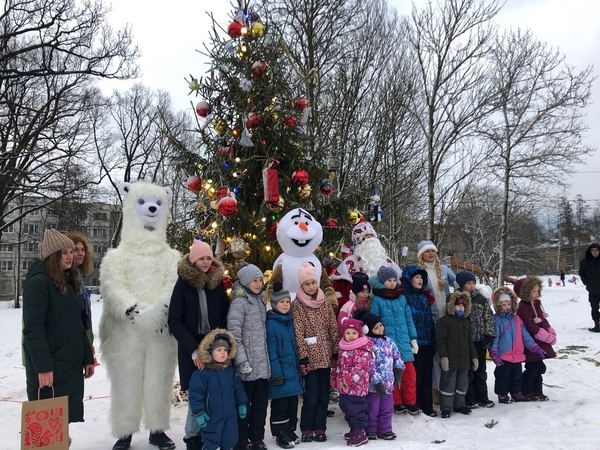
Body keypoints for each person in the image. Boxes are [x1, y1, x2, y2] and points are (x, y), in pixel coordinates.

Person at [22, 229, 94, 426]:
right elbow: (33, 329)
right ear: (53, 256)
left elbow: (77, 325)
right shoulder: (38, 283)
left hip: (68, 365)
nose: (70, 256)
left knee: (62, 422)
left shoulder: (66, 282)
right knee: (46, 426)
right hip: (51, 366)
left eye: (71, 251)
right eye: (64, 252)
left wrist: (87, 357)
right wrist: (43, 367)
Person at [168, 239, 230, 450]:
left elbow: (224, 314)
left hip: (215, 348)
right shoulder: (183, 284)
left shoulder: (216, 283)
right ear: (193, 261)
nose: (205, 262)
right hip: (191, 350)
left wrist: (221, 343)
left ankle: (210, 435)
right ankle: (192, 437)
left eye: (208, 258)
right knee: (198, 395)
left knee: (215, 392)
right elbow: (174, 321)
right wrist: (194, 350)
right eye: (201, 258)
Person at [291, 262, 339, 443]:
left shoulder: (324, 302)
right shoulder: (297, 305)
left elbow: (333, 328)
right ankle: (306, 428)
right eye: (307, 284)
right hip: (310, 360)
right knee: (311, 396)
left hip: (326, 359)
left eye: (313, 282)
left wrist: (335, 351)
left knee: (324, 395)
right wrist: (303, 357)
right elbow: (298, 332)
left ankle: (320, 428)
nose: (311, 287)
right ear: (301, 286)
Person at [228, 264, 271, 450]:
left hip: (262, 365)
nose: (259, 283)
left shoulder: (261, 300)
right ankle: (242, 438)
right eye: (255, 280)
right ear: (245, 282)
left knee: (261, 405)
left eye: (260, 280)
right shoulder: (239, 303)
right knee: (244, 406)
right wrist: (242, 361)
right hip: (247, 367)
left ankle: (257, 437)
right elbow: (234, 335)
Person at [369, 266, 419, 415]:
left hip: (403, 342)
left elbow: (408, 319)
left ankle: (410, 401)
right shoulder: (377, 300)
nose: (391, 283)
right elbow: (374, 322)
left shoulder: (402, 298)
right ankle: (396, 402)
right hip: (387, 346)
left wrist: (413, 338)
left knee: (410, 374)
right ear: (381, 282)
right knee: (392, 375)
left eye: (393, 280)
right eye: (388, 280)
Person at [188, 329, 248, 450]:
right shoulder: (201, 374)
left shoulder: (230, 372)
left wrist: (242, 403)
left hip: (230, 415)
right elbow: (195, 395)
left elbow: (238, 389)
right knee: (211, 440)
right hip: (211, 416)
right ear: (209, 352)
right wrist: (199, 412)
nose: (223, 353)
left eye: (225, 350)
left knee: (230, 438)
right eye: (219, 350)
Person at [354, 308, 404, 441]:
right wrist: (376, 382)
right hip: (374, 385)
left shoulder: (389, 341)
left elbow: (397, 357)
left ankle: (385, 429)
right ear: (369, 330)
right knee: (373, 409)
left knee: (387, 408)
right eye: (376, 328)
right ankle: (371, 429)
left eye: (381, 325)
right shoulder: (368, 344)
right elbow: (369, 365)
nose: (381, 329)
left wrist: (398, 373)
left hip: (388, 383)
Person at [489, 287, 545, 404]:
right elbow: (495, 336)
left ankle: (516, 392)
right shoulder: (497, 320)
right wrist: (494, 351)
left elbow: (525, 336)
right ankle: (502, 394)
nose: (506, 307)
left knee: (516, 375)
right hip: (504, 354)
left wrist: (535, 347)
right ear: (498, 305)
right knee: (503, 376)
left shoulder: (517, 319)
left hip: (517, 354)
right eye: (503, 304)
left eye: (508, 304)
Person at [266, 282, 304, 449]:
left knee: (292, 403)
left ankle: (289, 430)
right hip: (280, 373)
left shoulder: (289, 321)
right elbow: (272, 352)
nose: (285, 305)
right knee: (280, 405)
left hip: (292, 371)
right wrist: (276, 374)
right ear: (274, 304)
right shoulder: (272, 324)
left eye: (288, 302)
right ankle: (280, 433)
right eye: (282, 302)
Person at [331, 222, 401, 308]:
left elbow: (399, 280)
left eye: (372, 235)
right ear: (359, 240)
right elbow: (339, 287)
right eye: (366, 235)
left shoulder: (386, 260)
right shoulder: (350, 261)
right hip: (359, 308)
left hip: (386, 307)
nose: (370, 238)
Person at [454, 271, 495, 409]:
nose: (471, 286)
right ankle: (469, 398)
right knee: (468, 371)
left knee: (481, 370)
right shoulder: (457, 299)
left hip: (479, 341)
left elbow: (488, 317)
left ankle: (482, 396)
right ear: (462, 285)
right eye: (468, 283)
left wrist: (489, 334)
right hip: (465, 342)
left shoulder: (481, 299)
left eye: (473, 283)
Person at [435, 291, 478, 419]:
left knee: (462, 384)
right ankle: (446, 408)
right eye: (458, 305)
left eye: (463, 306)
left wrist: (474, 356)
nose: (461, 308)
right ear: (451, 305)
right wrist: (443, 356)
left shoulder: (465, 322)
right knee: (448, 384)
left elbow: (470, 341)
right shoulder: (444, 322)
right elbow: (440, 341)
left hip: (464, 360)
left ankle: (459, 405)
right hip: (450, 359)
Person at [331, 317, 373, 447]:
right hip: (344, 386)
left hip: (356, 387)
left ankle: (360, 432)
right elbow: (339, 365)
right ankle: (354, 429)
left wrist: (348, 380)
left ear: (359, 333)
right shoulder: (344, 347)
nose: (351, 336)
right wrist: (334, 376)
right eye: (348, 333)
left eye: (354, 333)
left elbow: (360, 369)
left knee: (356, 409)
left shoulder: (362, 349)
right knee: (345, 407)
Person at [401, 265, 437, 417]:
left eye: (421, 277)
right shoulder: (405, 298)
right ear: (409, 279)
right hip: (414, 344)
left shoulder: (423, 297)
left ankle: (427, 406)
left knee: (427, 375)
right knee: (416, 376)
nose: (420, 280)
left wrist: (433, 338)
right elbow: (406, 321)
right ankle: (415, 404)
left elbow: (429, 319)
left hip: (428, 342)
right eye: (416, 277)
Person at [514, 276, 556, 401]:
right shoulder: (523, 307)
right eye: (533, 291)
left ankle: (538, 390)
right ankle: (527, 390)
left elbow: (542, 320)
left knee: (539, 367)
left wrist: (550, 331)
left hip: (541, 342)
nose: (536, 293)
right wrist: (544, 336)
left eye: (537, 291)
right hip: (532, 343)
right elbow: (530, 325)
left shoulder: (536, 304)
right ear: (525, 292)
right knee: (532, 367)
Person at [65, 231, 94, 348]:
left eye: (83, 250)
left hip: (82, 337)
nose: (81, 253)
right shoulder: (65, 278)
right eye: (75, 250)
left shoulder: (79, 275)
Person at [579, 243, 600, 332]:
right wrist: (587, 282)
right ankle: (597, 326)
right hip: (593, 289)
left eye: (596, 250)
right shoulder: (584, 262)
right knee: (594, 308)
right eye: (593, 250)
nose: (595, 252)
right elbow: (581, 273)